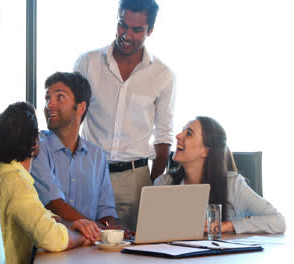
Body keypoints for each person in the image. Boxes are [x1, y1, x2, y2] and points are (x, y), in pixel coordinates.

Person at [73, 0, 176, 230]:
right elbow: (72, 122)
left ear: (150, 30)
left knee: (136, 251)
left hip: (135, 179)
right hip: (90, 175)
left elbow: (163, 136)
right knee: (86, 247)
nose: (126, 35)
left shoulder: (163, 75)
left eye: (137, 30)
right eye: (122, 25)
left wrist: (153, 186)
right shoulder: (87, 63)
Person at [0, 102, 101, 264]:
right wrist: (82, 237)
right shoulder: (16, 183)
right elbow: (51, 239)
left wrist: (70, 224)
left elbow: (36, 215)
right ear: (35, 144)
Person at [154, 116, 286, 234]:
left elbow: (278, 221)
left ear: (206, 151)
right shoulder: (164, 183)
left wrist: (229, 226)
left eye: (188, 133)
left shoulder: (233, 184)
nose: (178, 135)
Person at [30, 72, 118, 229]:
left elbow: (106, 210)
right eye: (47, 98)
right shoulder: (36, 147)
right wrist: (99, 230)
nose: (49, 105)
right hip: (50, 247)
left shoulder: (97, 156)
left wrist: (108, 228)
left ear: (81, 107)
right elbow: (53, 204)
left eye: (60, 97)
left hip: (90, 247)